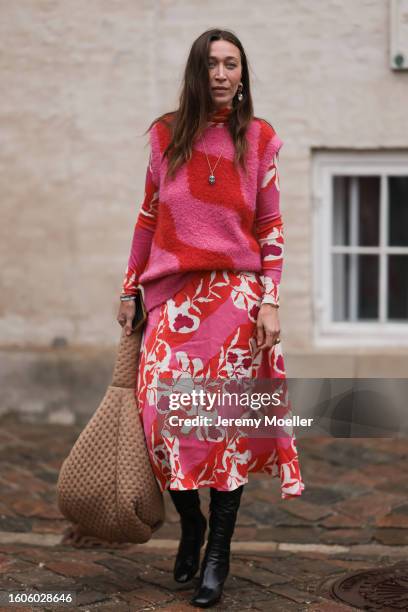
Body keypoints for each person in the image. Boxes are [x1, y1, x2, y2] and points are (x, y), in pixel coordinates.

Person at [117, 28, 305, 609]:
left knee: (223, 429)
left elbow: (270, 227)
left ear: (242, 74)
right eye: (212, 64)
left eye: (231, 64)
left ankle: (217, 553)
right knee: (162, 422)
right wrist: (130, 289)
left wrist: (270, 297)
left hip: (235, 303)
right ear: (197, 73)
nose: (222, 73)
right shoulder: (165, 135)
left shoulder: (260, 140)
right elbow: (148, 218)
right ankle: (191, 523)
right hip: (172, 300)